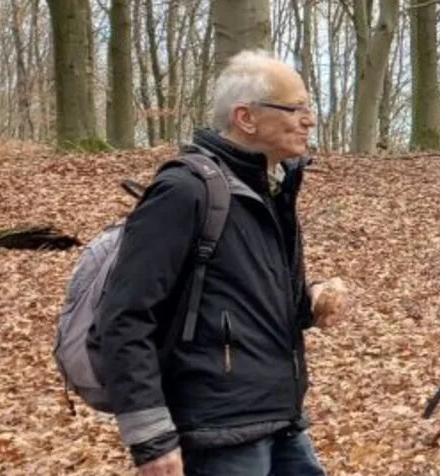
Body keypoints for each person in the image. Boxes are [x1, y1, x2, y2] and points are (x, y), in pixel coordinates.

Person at [90, 50, 349, 476]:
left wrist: (309, 298)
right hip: (216, 434)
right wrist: (151, 438)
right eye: (296, 108)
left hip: (280, 420)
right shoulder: (185, 190)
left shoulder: (269, 191)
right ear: (246, 118)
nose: (309, 120)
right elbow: (124, 317)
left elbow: (239, 299)